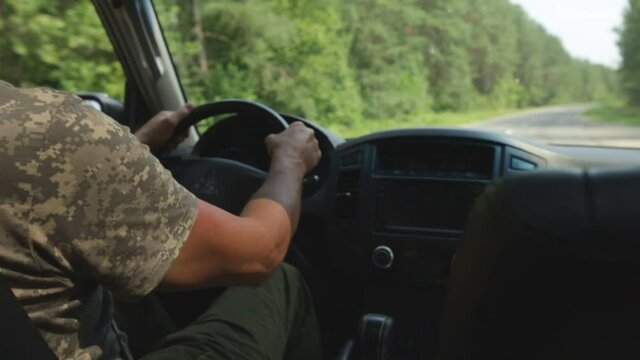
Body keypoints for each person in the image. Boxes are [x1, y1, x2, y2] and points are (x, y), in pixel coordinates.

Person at [0, 80, 323, 359]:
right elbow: (259, 254)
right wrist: (291, 161)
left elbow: (57, 189)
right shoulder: (50, 128)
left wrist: (131, 148)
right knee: (283, 281)